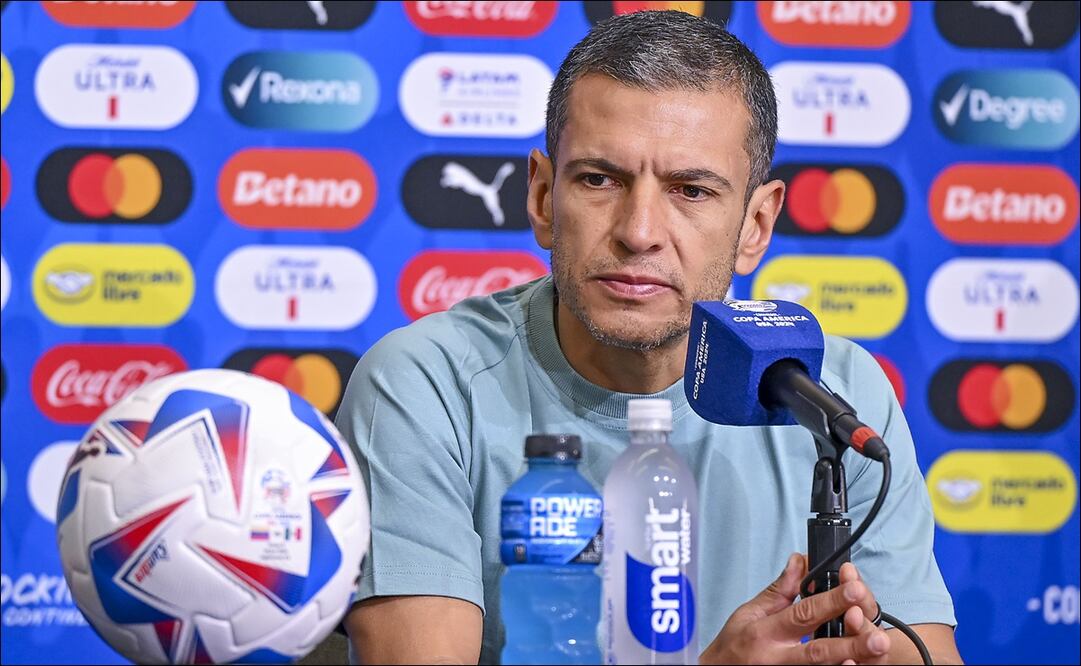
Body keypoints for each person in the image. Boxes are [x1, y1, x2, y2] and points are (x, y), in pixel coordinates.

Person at [335, 10, 963, 665]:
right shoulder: (423, 386)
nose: (638, 231)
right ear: (544, 198)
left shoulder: (833, 394)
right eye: (598, 180)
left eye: (689, 190)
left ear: (755, 225)